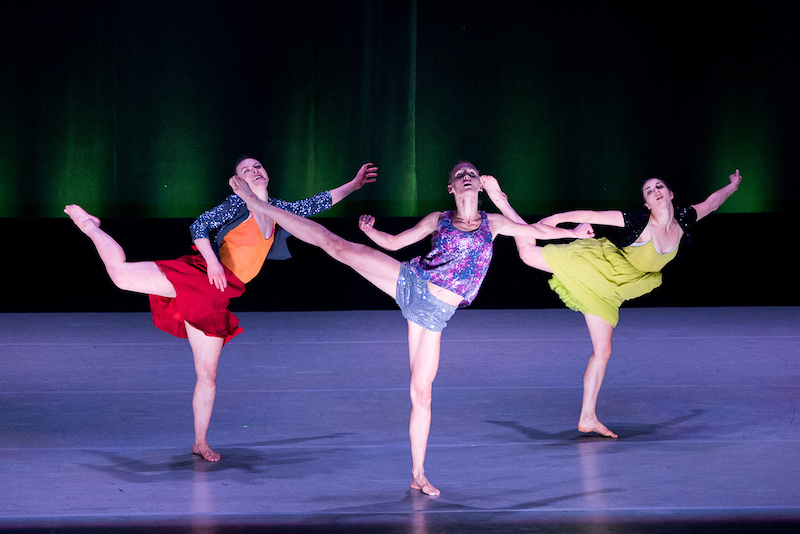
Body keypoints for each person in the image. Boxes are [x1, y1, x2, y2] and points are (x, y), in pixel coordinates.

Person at [229, 161, 595, 495]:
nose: (466, 177)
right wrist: (371, 233)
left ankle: (418, 474)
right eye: (459, 175)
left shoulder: (493, 223)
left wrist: (575, 232)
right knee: (335, 244)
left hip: (434, 316)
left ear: (479, 187)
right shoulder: (439, 218)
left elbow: (535, 230)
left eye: (472, 174)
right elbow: (395, 243)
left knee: (422, 396)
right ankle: (261, 207)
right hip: (411, 283)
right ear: (451, 188)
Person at [64, 158, 377, 462]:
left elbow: (317, 203)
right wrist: (213, 262)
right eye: (245, 170)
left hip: (218, 294)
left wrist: (354, 184)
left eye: (257, 167)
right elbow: (200, 225)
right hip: (201, 273)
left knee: (208, 374)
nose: (254, 171)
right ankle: (90, 225)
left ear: (266, 174)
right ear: (238, 180)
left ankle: (200, 441)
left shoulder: (280, 209)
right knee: (120, 275)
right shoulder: (238, 202)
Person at [481, 169, 743, 438]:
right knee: (527, 253)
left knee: (603, 351)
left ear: (671, 194)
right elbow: (592, 216)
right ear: (647, 204)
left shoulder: (685, 217)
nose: (655, 191)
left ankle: (587, 417)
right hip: (600, 267)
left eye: (659, 187)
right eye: (649, 191)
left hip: (617, 288)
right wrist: (558, 220)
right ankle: (501, 202)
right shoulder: (639, 220)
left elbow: (712, 202)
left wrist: (733, 186)